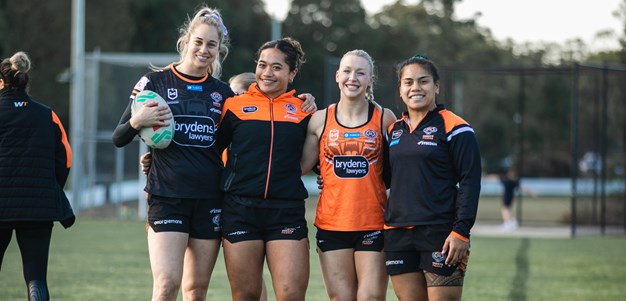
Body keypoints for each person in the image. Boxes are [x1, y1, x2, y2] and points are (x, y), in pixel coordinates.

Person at [217, 37, 312, 301]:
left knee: (290, 294)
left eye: (277, 67)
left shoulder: (305, 111)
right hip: (240, 210)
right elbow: (208, 150)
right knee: (246, 295)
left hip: (286, 212)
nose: (267, 73)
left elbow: (321, 159)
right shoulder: (234, 106)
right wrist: (155, 161)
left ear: (292, 73)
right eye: (262, 65)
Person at [300, 49, 396, 300]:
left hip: (373, 223)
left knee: (371, 297)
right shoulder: (319, 120)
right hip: (332, 224)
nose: (352, 78)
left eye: (360, 73)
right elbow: (301, 166)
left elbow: (399, 169)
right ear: (337, 75)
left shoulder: (385, 118)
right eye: (347, 71)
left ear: (370, 80)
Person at [384, 54, 482, 301]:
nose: (415, 87)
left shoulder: (456, 128)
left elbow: (470, 182)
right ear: (400, 89)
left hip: (440, 233)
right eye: (408, 82)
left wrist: (461, 232)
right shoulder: (393, 130)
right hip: (397, 233)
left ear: (436, 86)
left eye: (423, 81)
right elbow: (384, 178)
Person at [0, 51, 75, 301]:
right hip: (39, 208)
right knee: (36, 279)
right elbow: (65, 158)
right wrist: (48, 186)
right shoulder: (47, 115)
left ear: (1, 83)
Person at [497, 165, 536, 231]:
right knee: (507, 209)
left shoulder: (508, 180)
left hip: (507, 196)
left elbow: (522, 188)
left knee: (504, 209)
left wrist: (531, 192)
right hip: (510, 197)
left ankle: (507, 223)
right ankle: (510, 222)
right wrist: (531, 192)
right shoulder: (513, 180)